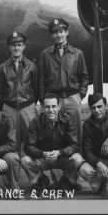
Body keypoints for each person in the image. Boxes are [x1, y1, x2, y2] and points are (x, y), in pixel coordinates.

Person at [38, 17, 89, 147]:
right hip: (53, 100)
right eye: (55, 32)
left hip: (72, 98)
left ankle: (78, 162)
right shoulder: (45, 55)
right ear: (51, 35)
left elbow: (84, 77)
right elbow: (41, 79)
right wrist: (43, 99)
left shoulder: (77, 54)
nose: (59, 35)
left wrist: (79, 96)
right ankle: (56, 163)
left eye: (61, 31)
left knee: (76, 132)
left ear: (67, 32)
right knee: (53, 132)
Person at [21, 94, 84, 192]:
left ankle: (68, 182)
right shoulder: (35, 122)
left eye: (54, 106)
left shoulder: (67, 120)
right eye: (47, 107)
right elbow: (29, 146)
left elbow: (75, 145)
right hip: (43, 157)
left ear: (59, 107)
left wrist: (60, 152)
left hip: (62, 157)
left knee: (77, 159)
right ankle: (41, 181)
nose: (51, 110)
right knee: (25, 160)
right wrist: (42, 153)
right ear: (42, 108)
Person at [0, 31, 38, 154]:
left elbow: (36, 87)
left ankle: (33, 169)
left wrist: (31, 103)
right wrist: (5, 106)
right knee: (11, 142)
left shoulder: (32, 66)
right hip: (10, 108)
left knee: (32, 140)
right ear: (9, 47)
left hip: (27, 107)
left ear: (24, 46)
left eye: (19, 45)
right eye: (13, 45)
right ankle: (14, 170)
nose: (16, 48)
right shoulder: (2, 67)